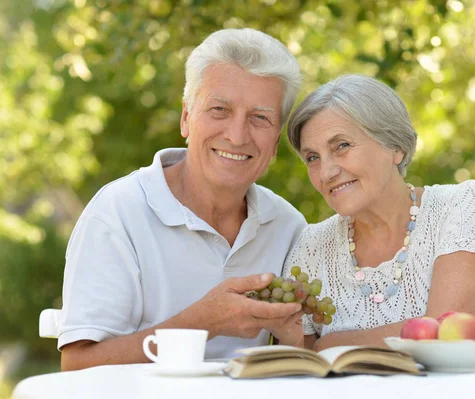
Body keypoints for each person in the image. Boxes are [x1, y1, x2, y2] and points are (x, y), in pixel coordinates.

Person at [58, 28, 307, 371]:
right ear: (186, 118)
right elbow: (78, 366)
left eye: (260, 118)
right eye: (219, 109)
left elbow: (302, 356)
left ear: (276, 142)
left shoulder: (289, 226)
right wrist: (205, 322)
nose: (236, 135)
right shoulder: (117, 212)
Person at [283, 74, 475, 351]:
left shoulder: (463, 205)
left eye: (342, 146)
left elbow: (444, 335)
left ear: (395, 147)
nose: (326, 172)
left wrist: (329, 344)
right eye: (312, 158)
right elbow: (298, 362)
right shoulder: (311, 245)